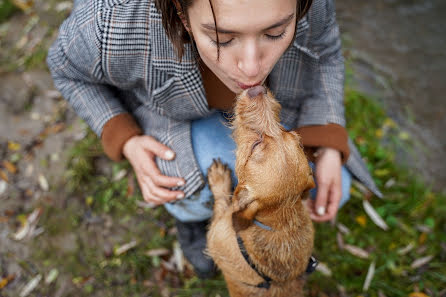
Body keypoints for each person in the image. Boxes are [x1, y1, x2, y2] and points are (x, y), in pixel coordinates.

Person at [47, 0, 382, 278]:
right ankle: (193, 220)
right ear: (180, 13)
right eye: (222, 38)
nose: (251, 69)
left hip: (276, 109)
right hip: (175, 119)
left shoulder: (314, 4)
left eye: (276, 32)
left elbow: (325, 52)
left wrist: (326, 140)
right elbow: (65, 68)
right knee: (186, 187)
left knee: (333, 187)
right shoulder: (113, 23)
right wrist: (125, 137)